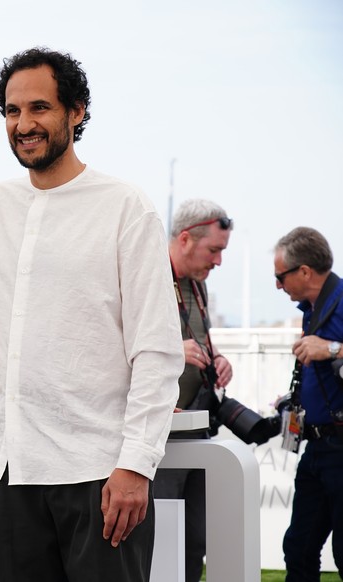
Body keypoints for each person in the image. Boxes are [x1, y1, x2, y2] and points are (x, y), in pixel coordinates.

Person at [0, 47, 183, 582]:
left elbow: (156, 348)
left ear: (76, 112)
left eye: (39, 108)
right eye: (12, 112)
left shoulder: (126, 207)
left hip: (99, 473)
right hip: (6, 471)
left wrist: (135, 464)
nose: (24, 124)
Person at [155, 198, 234, 582]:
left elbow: (197, 338)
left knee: (194, 538)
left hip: (195, 428)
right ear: (185, 238)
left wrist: (217, 358)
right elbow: (109, 345)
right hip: (159, 434)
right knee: (161, 538)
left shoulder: (196, 284)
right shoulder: (147, 274)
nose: (219, 262)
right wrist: (173, 351)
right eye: (214, 250)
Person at [274, 227, 343, 581]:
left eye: (279, 276)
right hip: (317, 448)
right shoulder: (311, 309)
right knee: (298, 548)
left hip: (339, 446)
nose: (276, 285)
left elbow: (329, 353)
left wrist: (332, 349)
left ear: (303, 271)